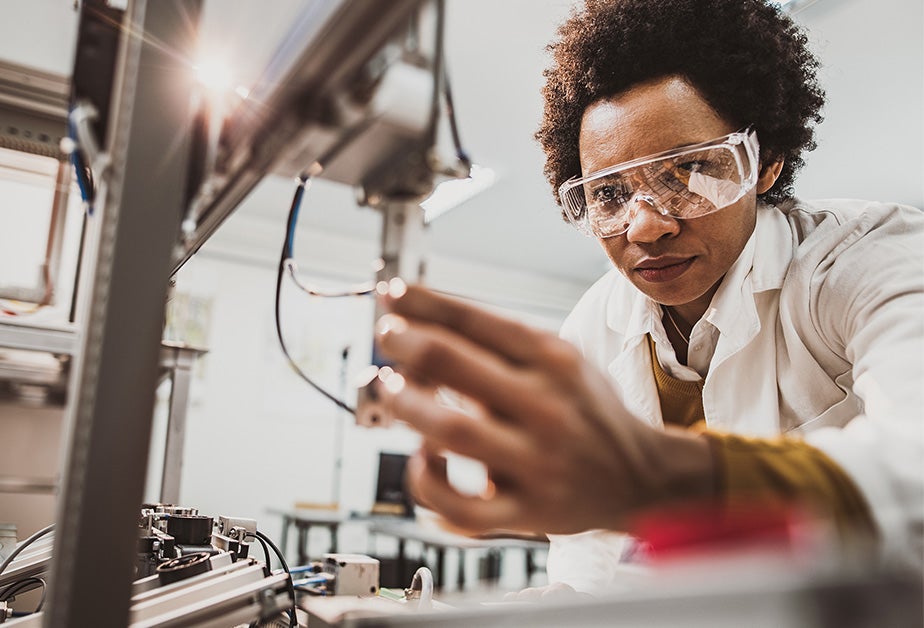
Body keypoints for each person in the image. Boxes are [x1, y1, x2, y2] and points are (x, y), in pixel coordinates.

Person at [371, 0, 924, 596]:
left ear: (764, 163)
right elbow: (586, 549)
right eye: (609, 193)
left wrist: (664, 476)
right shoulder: (598, 322)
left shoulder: (868, 259)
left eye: (687, 171)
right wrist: (558, 605)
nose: (643, 227)